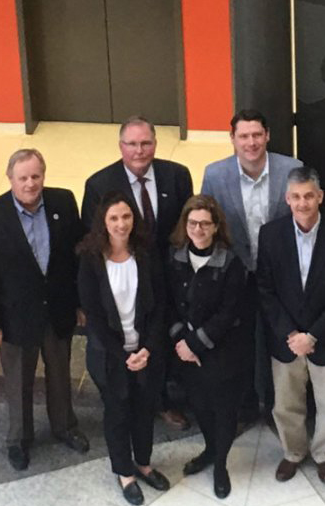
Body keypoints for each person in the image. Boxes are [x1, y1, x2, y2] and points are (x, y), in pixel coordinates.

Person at [0, 148, 89, 471]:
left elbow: (76, 257)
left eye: (36, 176)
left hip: (58, 311)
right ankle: (19, 439)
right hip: (14, 319)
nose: (30, 184)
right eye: (23, 178)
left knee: (60, 374)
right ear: (10, 178)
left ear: (43, 175)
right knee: (18, 381)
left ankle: (64, 427)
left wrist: (79, 302)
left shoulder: (63, 202)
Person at [81, 115, 193, 431]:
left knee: (162, 334)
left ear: (155, 144)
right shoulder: (99, 185)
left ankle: (163, 400)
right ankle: (124, 398)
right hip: (123, 277)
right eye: (132, 144)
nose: (139, 151)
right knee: (127, 334)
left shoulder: (177, 176)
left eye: (145, 143)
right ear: (121, 146)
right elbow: (91, 238)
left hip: (169, 277)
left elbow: (185, 227)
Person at [257, 167, 325, 485]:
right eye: (296, 197)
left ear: (320, 197)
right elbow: (265, 290)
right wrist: (291, 334)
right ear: (287, 199)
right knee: (286, 403)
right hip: (285, 340)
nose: (303, 203)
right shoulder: (270, 235)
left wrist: (312, 336)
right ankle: (293, 452)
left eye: (309, 196)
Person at [201, 109, 301, 423]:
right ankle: (244, 406)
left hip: (280, 275)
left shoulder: (292, 169)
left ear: (267, 135)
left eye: (257, 135)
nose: (251, 142)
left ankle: (274, 406)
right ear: (232, 139)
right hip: (236, 275)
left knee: (278, 340)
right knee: (240, 343)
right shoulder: (215, 175)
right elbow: (209, 225)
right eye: (243, 136)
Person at [77, 191, 171, 505]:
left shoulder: (146, 252)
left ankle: (143, 463)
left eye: (127, 216)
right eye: (114, 218)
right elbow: (94, 316)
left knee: (144, 411)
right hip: (110, 356)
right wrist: (125, 355)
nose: (121, 224)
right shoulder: (91, 259)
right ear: (103, 222)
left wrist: (146, 349)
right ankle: (124, 472)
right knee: (117, 413)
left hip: (146, 352)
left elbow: (160, 305)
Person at [165, 194, 250, 499]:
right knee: (199, 405)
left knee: (223, 410)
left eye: (204, 224)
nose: (198, 229)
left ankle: (220, 465)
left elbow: (229, 312)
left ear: (216, 227)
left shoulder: (230, 262)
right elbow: (168, 304)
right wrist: (181, 342)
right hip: (185, 350)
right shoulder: (174, 258)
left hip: (222, 349)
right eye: (192, 223)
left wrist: (196, 344)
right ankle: (210, 449)